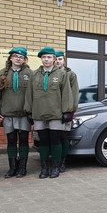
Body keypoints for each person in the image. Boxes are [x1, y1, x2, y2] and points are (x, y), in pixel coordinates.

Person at [24, 46, 74, 179]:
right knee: (43, 141)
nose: (46, 60)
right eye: (44, 57)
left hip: (56, 113)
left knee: (56, 140)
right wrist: (29, 111)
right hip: (39, 113)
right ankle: (44, 167)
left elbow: (67, 94)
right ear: (41, 59)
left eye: (49, 57)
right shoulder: (34, 74)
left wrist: (66, 111)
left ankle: (56, 167)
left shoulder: (62, 74)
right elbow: (29, 94)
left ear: (53, 59)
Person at [0, 46, 33, 178]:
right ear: (11, 58)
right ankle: (12, 167)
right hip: (8, 114)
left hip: (23, 113)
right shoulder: (2, 73)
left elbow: (33, 95)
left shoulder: (30, 73)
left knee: (23, 140)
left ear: (24, 59)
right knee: (11, 140)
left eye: (21, 57)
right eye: (16, 56)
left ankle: (22, 167)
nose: (18, 59)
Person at [54, 50, 79, 173]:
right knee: (53, 137)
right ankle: (55, 161)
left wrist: (70, 110)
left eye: (60, 59)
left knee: (63, 136)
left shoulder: (70, 74)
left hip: (66, 110)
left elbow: (74, 94)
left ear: (64, 61)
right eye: (56, 59)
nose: (57, 61)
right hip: (52, 110)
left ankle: (63, 161)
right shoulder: (49, 74)